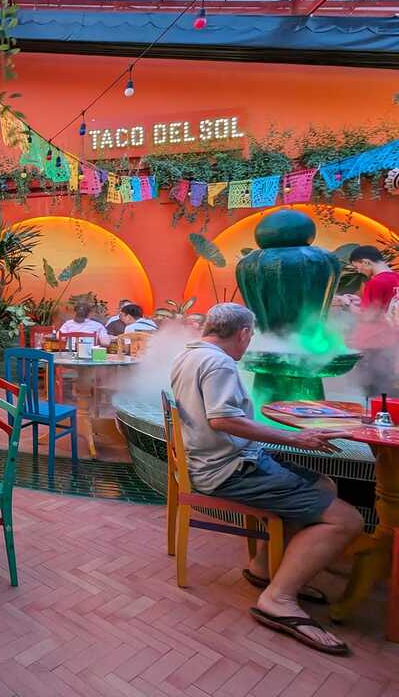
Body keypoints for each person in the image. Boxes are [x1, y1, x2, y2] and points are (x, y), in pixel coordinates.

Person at [169, 303, 363, 655]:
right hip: (228, 471)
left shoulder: (189, 354)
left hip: (218, 461)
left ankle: (264, 568)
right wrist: (294, 438)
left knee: (323, 484)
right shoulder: (218, 362)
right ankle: (279, 599)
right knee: (347, 520)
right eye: (251, 336)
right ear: (243, 333)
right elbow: (223, 420)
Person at [336, 246, 399, 394]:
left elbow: (367, 317)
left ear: (366, 262)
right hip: (391, 346)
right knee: (388, 388)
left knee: (372, 390)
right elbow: (384, 308)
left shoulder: (376, 282)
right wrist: (359, 301)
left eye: (357, 267)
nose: (359, 271)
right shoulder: (396, 278)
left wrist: (346, 304)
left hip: (373, 345)